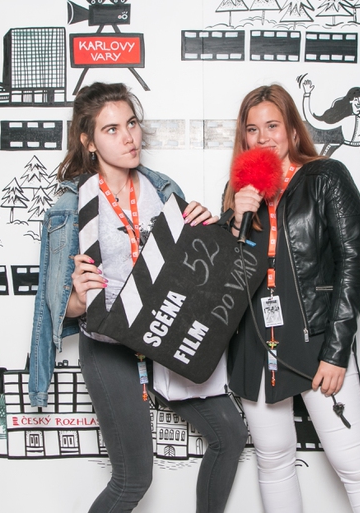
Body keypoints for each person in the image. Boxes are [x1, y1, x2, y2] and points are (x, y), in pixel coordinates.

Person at [29, 82, 247, 513]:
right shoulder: (69, 210)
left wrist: (205, 231)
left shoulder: (162, 190)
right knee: (133, 479)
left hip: (165, 333)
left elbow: (197, 274)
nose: (128, 137)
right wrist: (78, 297)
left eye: (131, 124)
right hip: (108, 345)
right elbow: (59, 309)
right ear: (89, 141)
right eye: (111, 130)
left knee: (230, 435)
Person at [222, 84, 360, 513]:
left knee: (356, 467)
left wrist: (336, 353)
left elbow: (353, 262)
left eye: (272, 126)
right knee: (273, 460)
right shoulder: (241, 192)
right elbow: (226, 276)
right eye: (252, 129)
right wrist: (236, 218)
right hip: (257, 343)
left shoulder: (325, 176)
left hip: (316, 340)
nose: (263, 138)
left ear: (292, 130)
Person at [301, 81, 360, 196]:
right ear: (351, 100)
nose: (359, 103)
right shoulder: (345, 118)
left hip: (357, 156)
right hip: (342, 153)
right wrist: (307, 94)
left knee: (355, 193)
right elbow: (315, 122)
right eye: (356, 99)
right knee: (333, 188)